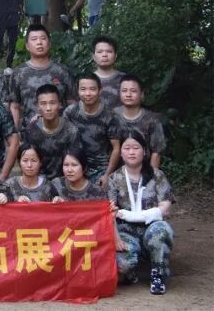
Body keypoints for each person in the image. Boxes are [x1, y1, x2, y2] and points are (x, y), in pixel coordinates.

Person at [107, 131, 175, 294]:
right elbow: (110, 211)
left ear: (144, 151)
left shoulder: (157, 175)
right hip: (125, 232)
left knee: (162, 231)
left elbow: (165, 208)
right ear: (120, 152)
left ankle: (158, 274)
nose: (131, 152)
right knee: (122, 265)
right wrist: (116, 238)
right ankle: (132, 273)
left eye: (136, 148)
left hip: (152, 227)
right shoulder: (114, 178)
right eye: (127, 148)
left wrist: (135, 215)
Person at [8, 24, 77, 129]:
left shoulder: (62, 71)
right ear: (27, 46)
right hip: (29, 132)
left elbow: (72, 103)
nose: (39, 42)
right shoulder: (18, 73)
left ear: (49, 43)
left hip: (60, 131)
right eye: (34, 39)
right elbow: (14, 107)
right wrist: (15, 133)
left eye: (43, 38)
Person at [65, 72, 123, 185]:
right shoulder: (70, 112)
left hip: (102, 169)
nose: (87, 93)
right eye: (83, 89)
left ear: (100, 91)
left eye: (92, 89)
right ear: (78, 91)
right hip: (76, 166)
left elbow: (116, 148)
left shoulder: (110, 116)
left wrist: (107, 175)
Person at [25, 84, 80, 178]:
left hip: (65, 179)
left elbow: (74, 162)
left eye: (52, 103)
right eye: (43, 104)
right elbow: (28, 161)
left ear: (60, 104)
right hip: (39, 179)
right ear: (37, 106)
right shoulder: (31, 130)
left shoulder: (71, 131)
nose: (48, 108)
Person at [114, 75, 166, 169]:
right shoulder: (112, 116)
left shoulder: (152, 119)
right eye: (124, 90)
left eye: (133, 91)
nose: (128, 94)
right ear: (119, 93)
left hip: (144, 170)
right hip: (116, 171)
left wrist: (151, 175)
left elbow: (156, 152)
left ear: (142, 94)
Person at [92, 36, 125, 111]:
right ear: (94, 57)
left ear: (115, 56)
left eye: (109, 51)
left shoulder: (125, 79)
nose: (104, 55)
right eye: (100, 52)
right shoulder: (86, 80)